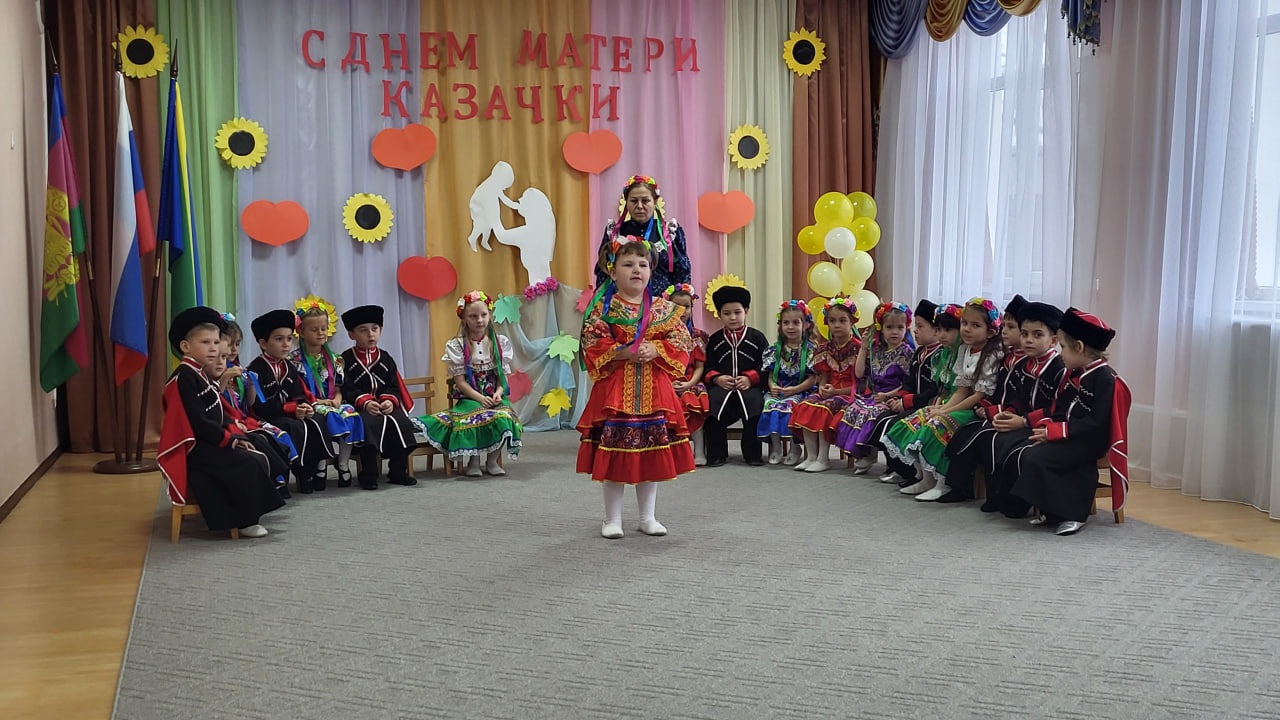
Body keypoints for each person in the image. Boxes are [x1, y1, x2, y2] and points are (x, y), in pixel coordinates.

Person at [577, 235, 694, 539]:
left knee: (651, 452)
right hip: (615, 393)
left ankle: (647, 517)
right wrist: (623, 352)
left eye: (643, 264)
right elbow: (592, 341)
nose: (636, 270)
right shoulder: (603, 308)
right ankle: (612, 519)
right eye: (628, 264)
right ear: (613, 271)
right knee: (614, 453)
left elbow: (682, 340)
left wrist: (657, 349)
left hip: (655, 393)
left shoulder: (663, 308)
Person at [1000, 309, 1131, 535]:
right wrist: (1047, 428)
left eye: (1063, 347)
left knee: (1040, 458)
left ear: (1079, 347)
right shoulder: (1077, 373)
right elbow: (1060, 409)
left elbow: (1096, 423)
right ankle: (1050, 512)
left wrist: (1056, 432)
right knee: (1028, 452)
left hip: (1089, 440)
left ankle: (1073, 514)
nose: (1060, 354)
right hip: (1071, 434)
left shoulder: (1104, 379)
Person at [158, 307, 284, 538]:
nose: (213, 348)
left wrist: (234, 434)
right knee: (246, 462)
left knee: (254, 451)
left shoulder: (199, 373)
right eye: (205, 342)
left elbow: (216, 411)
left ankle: (251, 513)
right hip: (195, 448)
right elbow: (197, 421)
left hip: (209, 440)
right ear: (185, 346)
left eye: (216, 342)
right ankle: (244, 521)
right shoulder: (183, 378)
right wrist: (227, 439)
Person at [942, 301, 1066, 506]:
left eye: (1037, 335)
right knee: (969, 434)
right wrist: (1003, 412)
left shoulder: (1058, 367)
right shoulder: (1025, 362)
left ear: (1053, 341)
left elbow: (1057, 408)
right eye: (1025, 334)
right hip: (1018, 417)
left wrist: (1021, 419)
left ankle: (1010, 499)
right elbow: (1017, 398)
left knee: (992, 438)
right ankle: (965, 488)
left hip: (1041, 424)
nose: (1028, 340)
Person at [884, 298, 1004, 501]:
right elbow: (961, 390)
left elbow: (977, 395)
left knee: (938, 424)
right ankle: (926, 478)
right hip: (962, 404)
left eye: (976, 325)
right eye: (965, 323)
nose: (967, 329)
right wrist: (942, 408)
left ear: (990, 332)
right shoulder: (964, 350)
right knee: (919, 417)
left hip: (977, 409)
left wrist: (945, 411)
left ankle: (943, 483)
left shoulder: (992, 354)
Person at [419, 291, 523, 477]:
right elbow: (460, 382)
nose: (479, 320)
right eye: (473, 316)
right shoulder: (458, 345)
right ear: (464, 319)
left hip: (493, 395)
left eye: (483, 315)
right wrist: (480, 398)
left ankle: (492, 461)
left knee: (503, 417)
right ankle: (473, 461)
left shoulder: (499, 343)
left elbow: (502, 378)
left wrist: (498, 393)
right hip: (470, 396)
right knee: (475, 418)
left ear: (489, 315)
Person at [247, 309, 336, 495]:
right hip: (266, 418)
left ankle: (309, 472)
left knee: (314, 421)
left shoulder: (289, 366)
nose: (286, 344)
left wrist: (303, 407)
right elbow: (259, 406)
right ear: (263, 343)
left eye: (289, 339)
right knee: (292, 426)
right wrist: (291, 409)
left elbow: (298, 395)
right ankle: (283, 477)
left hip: (288, 414)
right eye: (279, 339)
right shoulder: (256, 370)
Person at [869, 301, 953, 485]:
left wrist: (906, 402)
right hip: (912, 400)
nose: (915, 331)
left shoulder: (939, 355)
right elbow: (909, 383)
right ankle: (896, 467)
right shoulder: (920, 352)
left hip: (926, 403)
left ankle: (909, 472)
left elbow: (933, 390)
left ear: (935, 330)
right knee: (881, 419)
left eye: (920, 327)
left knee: (893, 424)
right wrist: (898, 397)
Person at [339, 305, 418, 490]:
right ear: (351, 334)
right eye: (363, 330)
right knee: (368, 424)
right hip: (361, 408)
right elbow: (346, 387)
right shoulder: (345, 359)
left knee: (402, 423)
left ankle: (398, 471)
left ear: (380, 330)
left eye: (374, 329)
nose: (370, 334)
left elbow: (393, 385)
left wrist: (389, 400)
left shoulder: (386, 358)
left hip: (385, 405)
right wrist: (365, 402)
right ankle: (369, 474)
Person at [207, 336, 296, 499]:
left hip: (243, 419)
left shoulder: (237, 372)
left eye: (224, 356)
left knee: (279, 434)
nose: (233, 350)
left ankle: (281, 479)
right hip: (228, 424)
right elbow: (214, 403)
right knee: (262, 438)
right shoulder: (210, 379)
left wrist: (252, 385)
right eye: (217, 357)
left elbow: (249, 403)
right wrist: (225, 378)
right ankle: (273, 481)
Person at [289, 298, 365, 487]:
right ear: (301, 332)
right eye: (314, 329)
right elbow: (298, 391)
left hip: (331, 402)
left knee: (350, 414)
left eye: (323, 328)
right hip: (311, 404)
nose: (321, 333)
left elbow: (338, 387)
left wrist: (338, 399)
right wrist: (319, 402)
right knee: (326, 417)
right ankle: (321, 464)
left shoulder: (335, 359)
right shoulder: (294, 361)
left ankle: (343, 464)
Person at [835, 302, 914, 471]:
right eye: (889, 327)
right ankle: (864, 453)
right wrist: (864, 348)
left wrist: (887, 396)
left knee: (873, 413)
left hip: (894, 397)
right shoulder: (876, 350)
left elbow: (907, 384)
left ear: (906, 328)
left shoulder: (907, 352)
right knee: (854, 409)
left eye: (900, 327)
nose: (895, 332)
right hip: (875, 395)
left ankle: (870, 453)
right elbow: (859, 373)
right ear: (881, 328)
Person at [789, 298, 862, 473]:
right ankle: (811, 456)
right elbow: (823, 375)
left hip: (850, 393)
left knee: (824, 408)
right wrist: (822, 388)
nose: (837, 325)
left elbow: (861, 384)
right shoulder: (825, 348)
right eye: (832, 321)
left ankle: (823, 458)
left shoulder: (859, 348)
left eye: (842, 320)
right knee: (805, 405)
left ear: (852, 322)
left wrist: (836, 391)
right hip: (831, 391)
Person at [702, 284, 769, 467]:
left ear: (746, 311)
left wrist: (750, 378)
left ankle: (753, 454)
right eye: (727, 313)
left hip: (749, 387)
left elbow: (767, 365)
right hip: (721, 388)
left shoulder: (757, 338)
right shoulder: (715, 340)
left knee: (754, 409)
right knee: (712, 410)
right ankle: (716, 454)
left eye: (737, 312)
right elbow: (707, 367)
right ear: (719, 314)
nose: (732, 317)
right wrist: (718, 378)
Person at [594, 175, 691, 296]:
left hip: (663, 304)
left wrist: (680, 301)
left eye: (645, 201)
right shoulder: (615, 232)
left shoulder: (670, 232)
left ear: (655, 202)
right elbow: (603, 272)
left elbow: (682, 272)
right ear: (626, 202)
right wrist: (603, 302)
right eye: (634, 201)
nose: (639, 206)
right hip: (622, 304)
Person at [758, 300, 819, 465]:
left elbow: (813, 378)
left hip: (802, 390)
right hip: (780, 389)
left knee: (791, 407)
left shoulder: (812, 350)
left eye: (795, 323)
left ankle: (794, 447)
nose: (790, 327)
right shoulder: (774, 350)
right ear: (780, 325)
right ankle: (776, 447)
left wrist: (795, 389)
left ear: (806, 325)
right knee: (770, 405)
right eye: (786, 323)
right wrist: (772, 386)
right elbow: (771, 375)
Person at [664, 284, 711, 465]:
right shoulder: (661, 334)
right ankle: (672, 450)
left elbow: (699, 367)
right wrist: (668, 383)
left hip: (691, 380)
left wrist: (689, 383)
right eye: (676, 306)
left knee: (693, 399)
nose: (682, 311)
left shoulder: (697, 336)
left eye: (686, 306)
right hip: (667, 380)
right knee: (666, 402)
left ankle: (698, 450)